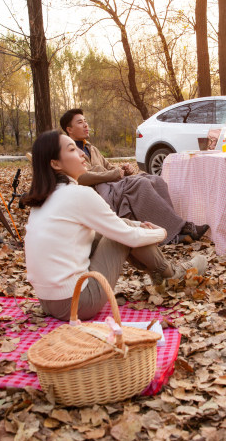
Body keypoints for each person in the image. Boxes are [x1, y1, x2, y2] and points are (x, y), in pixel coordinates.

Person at [22, 130, 207, 321]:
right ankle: (171, 274)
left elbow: (108, 228)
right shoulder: (77, 194)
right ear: (55, 163)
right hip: (79, 303)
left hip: (48, 301)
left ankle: (163, 274)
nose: (82, 154)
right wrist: (161, 232)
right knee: (121, 234)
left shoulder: (44, 200)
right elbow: (127, 236)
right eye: (72, 150)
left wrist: (137, 225)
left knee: (119, 228)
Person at [59, 108, 209, 244]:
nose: (86, 125)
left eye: (85, 121)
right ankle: (183, 228)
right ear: (69, 129)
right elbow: (81, 177)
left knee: (155, 179)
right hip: (101, 191)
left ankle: (174, 230)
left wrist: (124, 169)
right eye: (80, 123)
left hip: (114, 183)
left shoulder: (91, 148)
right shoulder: (68, 152)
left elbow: (110, 168)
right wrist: (113, 174)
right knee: (141, 185)